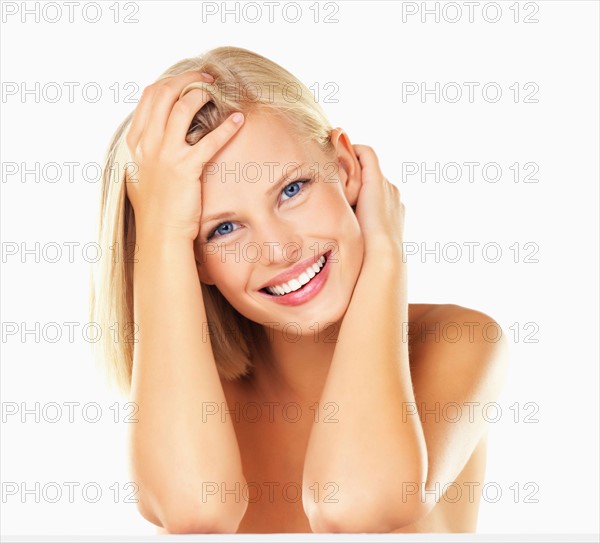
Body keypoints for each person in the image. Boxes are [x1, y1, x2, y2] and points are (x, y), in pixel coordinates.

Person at [89, 46, 509, 534]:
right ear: (191, 258)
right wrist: (161, 230)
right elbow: (193, 511)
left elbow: (356, 509)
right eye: (222, 229)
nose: (279, 249)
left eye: (292, 190)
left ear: (347, 168)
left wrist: (386, 256)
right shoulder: (194, 391)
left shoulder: (457, 341)